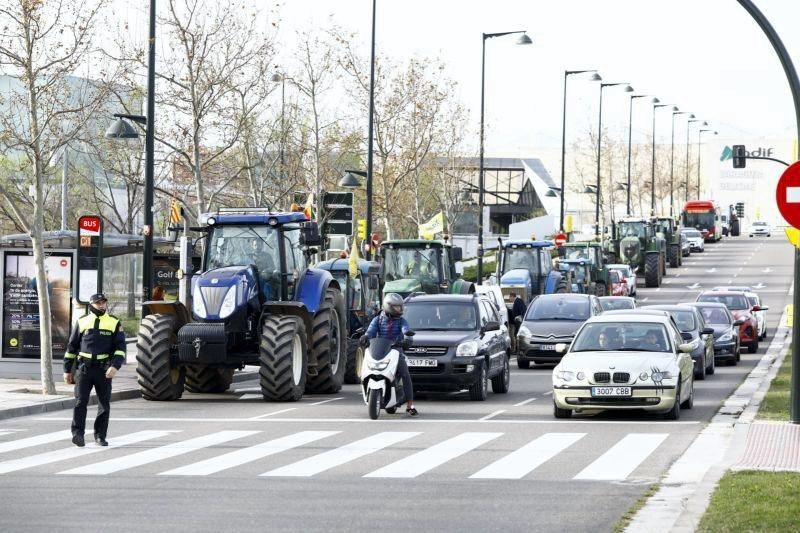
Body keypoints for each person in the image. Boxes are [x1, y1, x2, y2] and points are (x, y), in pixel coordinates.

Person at [63, 293, 126, 447]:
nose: (102, 305)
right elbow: (72, 347)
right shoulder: (82, 321)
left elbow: (120, 348)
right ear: (92, 304)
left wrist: (114, 366)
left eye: (103, 302)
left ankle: (100, 436)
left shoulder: (113, 322)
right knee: (80, 403)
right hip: (84, 369)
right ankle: (78, 434)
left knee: (104, 404)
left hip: (104, 370)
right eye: (98, 303)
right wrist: (67, 370)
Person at [361, 293, 418, 416]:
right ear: (388, 306)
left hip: (396, 350)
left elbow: (405, 329)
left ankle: (410, 405)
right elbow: (371, 331)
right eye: (397, 307)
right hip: (380, 350)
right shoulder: (378, 319)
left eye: (401, 307)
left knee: (405, 374)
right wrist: (365, 337)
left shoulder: (402, 321)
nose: (400, 309)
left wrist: (407, 337)